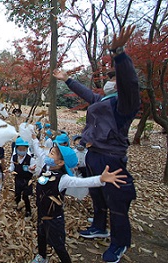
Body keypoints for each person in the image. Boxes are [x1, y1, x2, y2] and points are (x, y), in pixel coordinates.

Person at [52, 26, 139, 262]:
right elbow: (86, 94)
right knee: (97, 194)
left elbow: (130, 81)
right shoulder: (104, 99)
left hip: (111, 156)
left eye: (114, 78)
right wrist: (67, 79)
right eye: (109, 78)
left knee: (117, 201)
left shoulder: (125, 103)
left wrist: (119, 53)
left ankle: (120, 243)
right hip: (93, 154)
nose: (110, 81)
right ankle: (99, 226)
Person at [31, 141, 128, 263]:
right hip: (42, 214)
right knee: (41, 235)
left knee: (58, 245)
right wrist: (34, 139)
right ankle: (42, 256)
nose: (47, 155)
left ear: (60, 163)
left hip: (54, 219)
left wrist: (100, 179)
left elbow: (81, 182)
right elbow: (39, 153)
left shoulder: (63, 179)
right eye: (50, 152)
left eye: (51, 154)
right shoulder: (46, 167)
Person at [8, 137, 37, 217]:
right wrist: (9, 170)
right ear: (16, 149)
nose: (21, 151)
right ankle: (18, 206)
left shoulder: (30, 159)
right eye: (19, 149)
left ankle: (28, 211)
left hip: (27, 180)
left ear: (26, 149)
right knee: (17, 194)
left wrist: (31, 169)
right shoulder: (14, 158)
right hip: (18, 179)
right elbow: (12, 166)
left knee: (25, 196)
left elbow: (34, 172)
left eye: (23, 149)